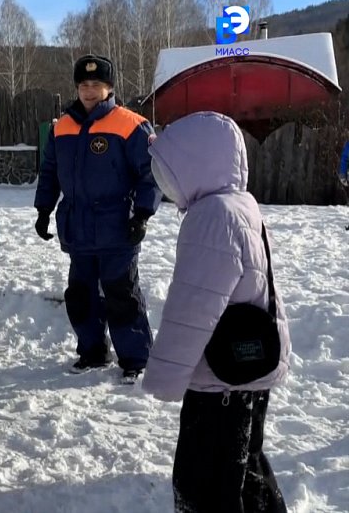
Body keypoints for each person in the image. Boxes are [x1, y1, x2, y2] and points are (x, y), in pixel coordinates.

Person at [142, 112, 289, 512]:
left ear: (194, 165)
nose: (165, 184)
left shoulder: (211, 218)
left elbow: (194, 307)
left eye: (170, 173)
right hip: (251, 371)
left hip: (221, 382)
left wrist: (165, 376)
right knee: (246, 472)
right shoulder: (243, 205)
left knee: (204, 484)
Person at [33, 54, 159, 383]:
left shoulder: (131, 124)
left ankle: (136, 358)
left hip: (118, 226)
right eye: (84, 85)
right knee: (81, 293)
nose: (89, 91)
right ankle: (92, 351)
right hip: (78, 226)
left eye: (97, 85)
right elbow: (49, 172)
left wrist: (142, 214)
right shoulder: (62, 127)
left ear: (109, 87)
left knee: (121, 293)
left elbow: (151, 173)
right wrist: (43, 209)